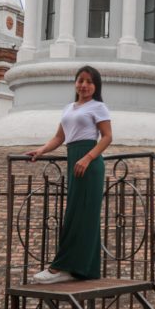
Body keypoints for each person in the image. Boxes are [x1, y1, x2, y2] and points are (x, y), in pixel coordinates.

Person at [27, 66, 112, 284]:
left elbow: (107, 137)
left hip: (88, 162)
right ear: (75, 83)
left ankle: (60, 267)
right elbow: (59, 137)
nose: (84, 85)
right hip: (74, 158)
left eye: (89, 82)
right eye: (80, 80)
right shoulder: (68, 108)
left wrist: (87, 158)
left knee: (81, 215)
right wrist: (41, 150)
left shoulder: (98, 107)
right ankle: (84, 269)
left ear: (95, 86)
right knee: (77, 213)